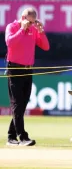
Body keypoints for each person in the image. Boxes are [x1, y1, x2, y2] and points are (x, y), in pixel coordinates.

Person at [5, 8, 50, 146]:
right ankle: (22, 136)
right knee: (17, 104)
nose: (31, 25)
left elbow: (46, 47)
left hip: (28, 70)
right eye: (29, 22)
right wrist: (21, 30)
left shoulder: (33, 30)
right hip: (15, 69)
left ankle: (11, 136)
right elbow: (9, 43)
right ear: (23, 18)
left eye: (33, 22)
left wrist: (41, 31)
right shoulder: (12, 27)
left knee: (22, 104)